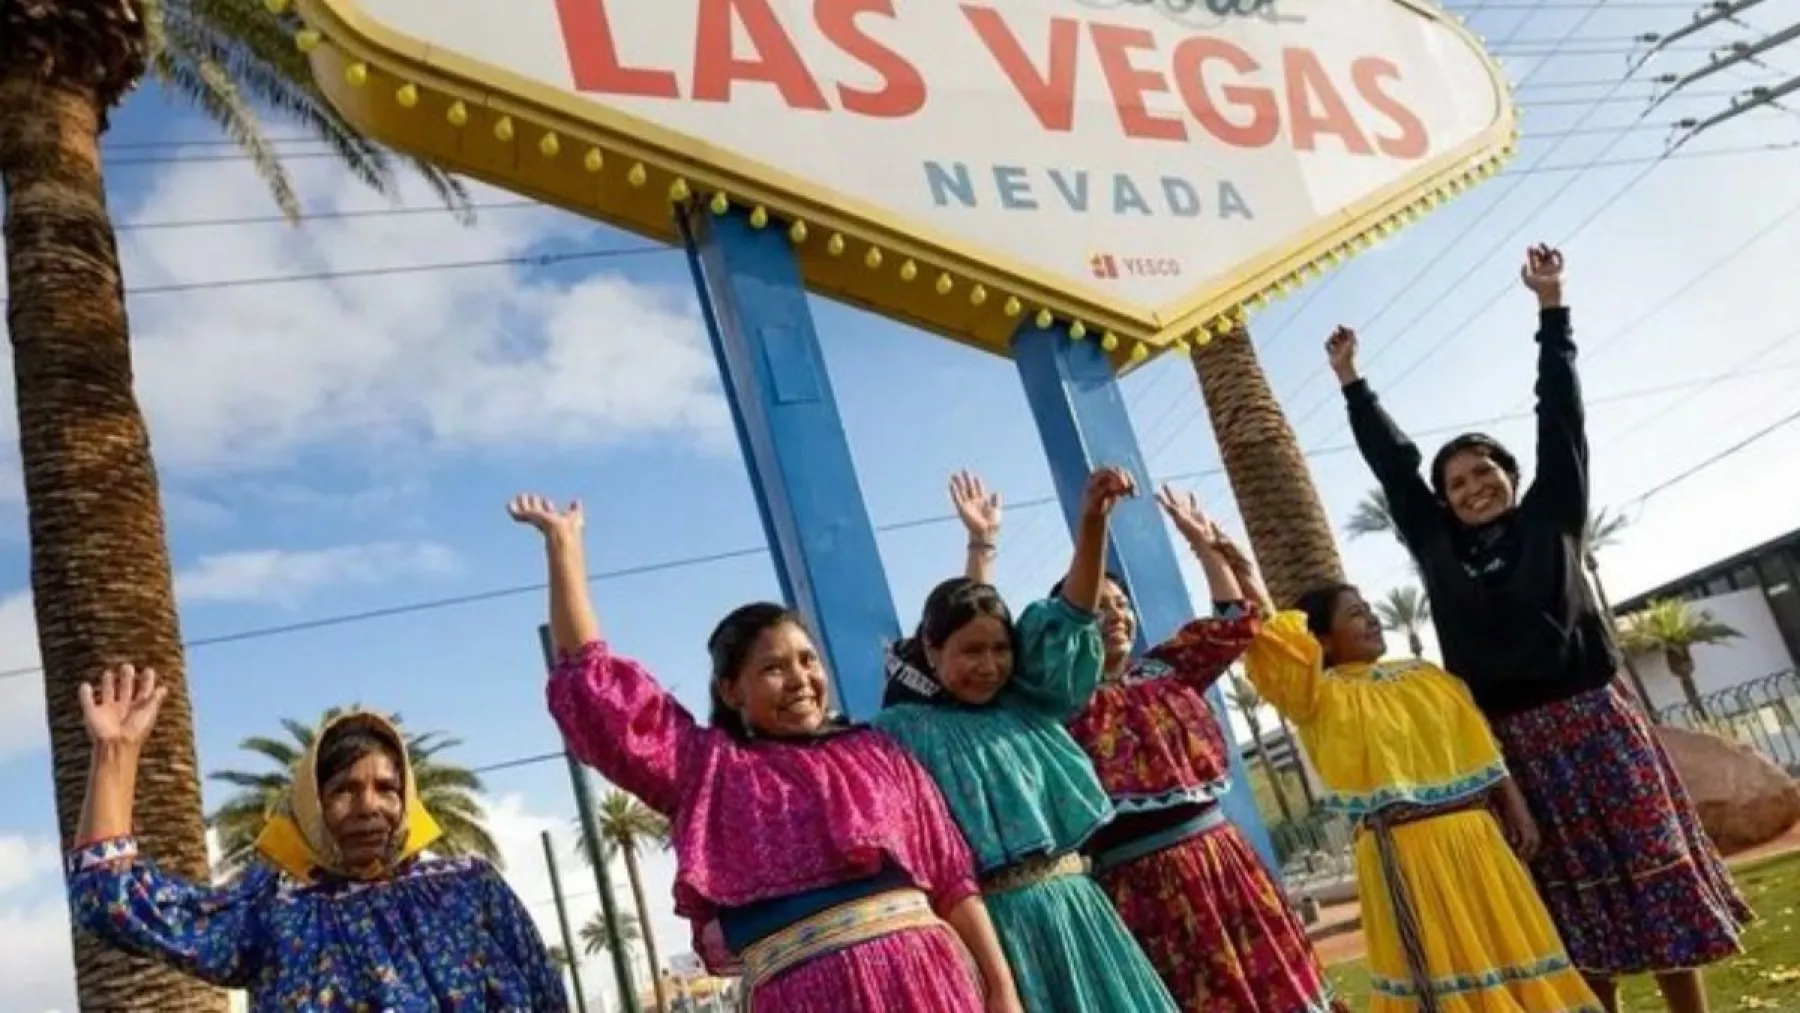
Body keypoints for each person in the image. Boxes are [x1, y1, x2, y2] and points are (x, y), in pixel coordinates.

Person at [1330, 245, 1749, 1013]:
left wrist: (1551, 308)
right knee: (1569, 900)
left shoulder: (1553, 518)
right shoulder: (1435, 546)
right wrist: (1355, 386)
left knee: (1651, 873)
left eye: (1485, 472)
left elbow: (1561, 418)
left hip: (1599, 727)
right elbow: (1396, 470)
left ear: (1512, 479)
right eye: (1456, 483)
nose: (1473, 487)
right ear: (1444, 503)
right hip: (1516, 749)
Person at [511, 494, 1021, 1013]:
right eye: (774, 668)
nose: (801, 679)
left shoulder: (880, 755)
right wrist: (564, 547)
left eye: (808, 660)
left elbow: (954, 880)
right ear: (732, 690)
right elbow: (601, 695)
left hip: (926, 984)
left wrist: (1001, 990)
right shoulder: (708, 769)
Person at [950, 471, 1339, 1013]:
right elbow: (976, 628)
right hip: (1137, 889)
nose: (1116, 615)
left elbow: (1232, 622)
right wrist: (982, 547)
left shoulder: (1167, 670)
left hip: (1222, 862)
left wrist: (1204, 544)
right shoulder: (1053, 703)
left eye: (1123, 605)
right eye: (1099, 607)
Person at [1180, 522, 1599, 1012]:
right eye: (1356, 615)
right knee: (1440, 981)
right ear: (1325, 642)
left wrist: (1516, 807)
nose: (1373, 619)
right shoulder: (1320, 696)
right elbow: (1276, 637)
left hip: (1477, 842)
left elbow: (1483, 747)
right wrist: (1240, 567)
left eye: (1370, 609)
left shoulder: (1431, 679)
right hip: (1401, 851)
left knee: (1516, 964)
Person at [65, 666, 565, 1011]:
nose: (369, 805)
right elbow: (113, 903)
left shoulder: (469, 889)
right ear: (311, 803)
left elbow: (546, 995)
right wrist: (116, 754)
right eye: (344, 790)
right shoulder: (275, 909)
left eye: (387, 789)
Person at [876, 467, 1179, 1013]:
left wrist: (1092, 522)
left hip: (1080, 913)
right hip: (997, 938)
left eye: (1000, 650)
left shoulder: (1027, 702)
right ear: (930, 648)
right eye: (970, 653)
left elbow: (1071, 615)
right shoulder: (905, 733)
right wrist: (979, 548)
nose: (989, 666)